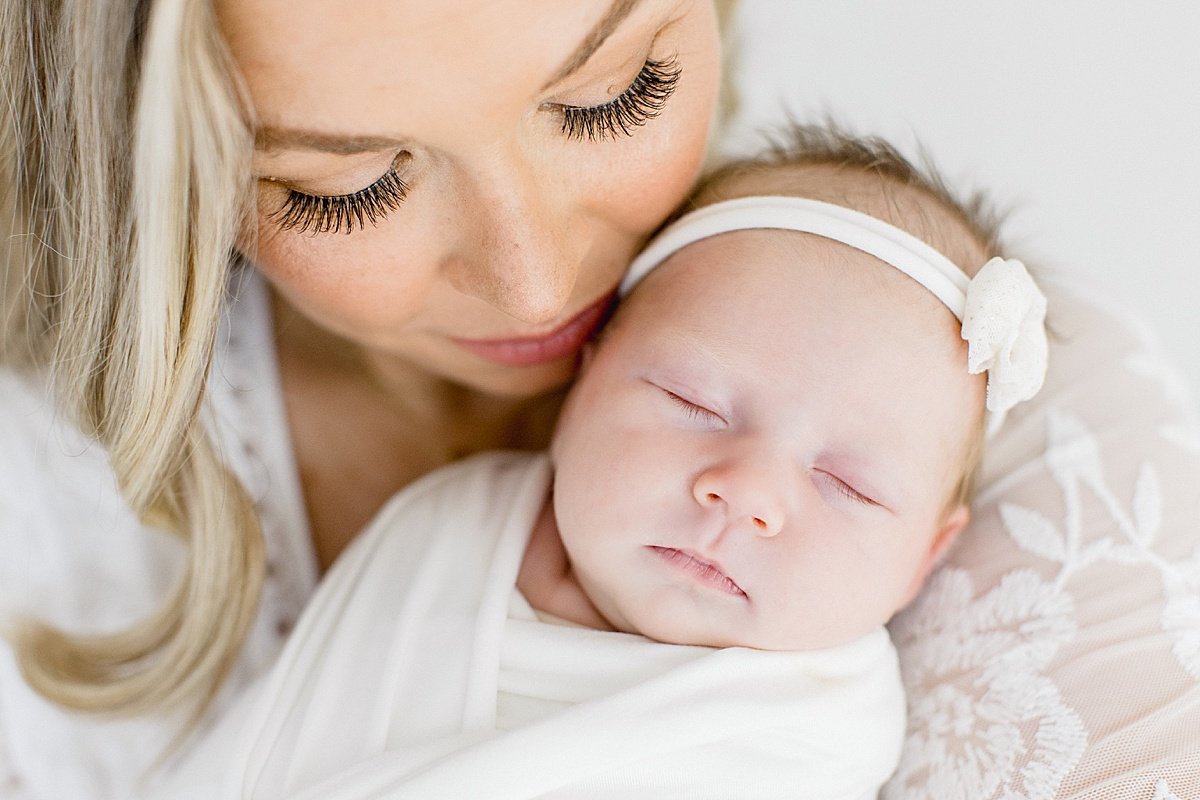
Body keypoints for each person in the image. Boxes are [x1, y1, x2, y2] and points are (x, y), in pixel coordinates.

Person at [157, 129, 1049, 799]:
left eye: (848, 485)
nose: (746, 492)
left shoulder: (813, 730)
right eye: (693, 404)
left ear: (925, 559)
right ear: (581, 382)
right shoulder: (450, 526)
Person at [0, 1, 729, 796]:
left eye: (617, 94)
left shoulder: (881, 351)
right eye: (350, 191)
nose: (535, 287)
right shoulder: (35, 517)